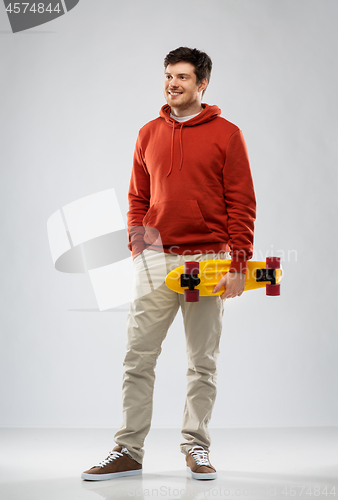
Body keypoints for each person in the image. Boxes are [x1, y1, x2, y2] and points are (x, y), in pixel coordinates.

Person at [82, 47, 256, 481]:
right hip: (156, 261)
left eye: (182, 77)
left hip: (208, 261)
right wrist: (140, 247)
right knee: (137, 358)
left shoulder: (227, 134)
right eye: (168, 76)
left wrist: (238, 263)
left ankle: (196, 448)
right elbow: (137, 197)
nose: (172, 83)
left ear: (202, 84)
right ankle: (128, 449)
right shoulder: (147, 132)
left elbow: (242, 202)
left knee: (202, 361)